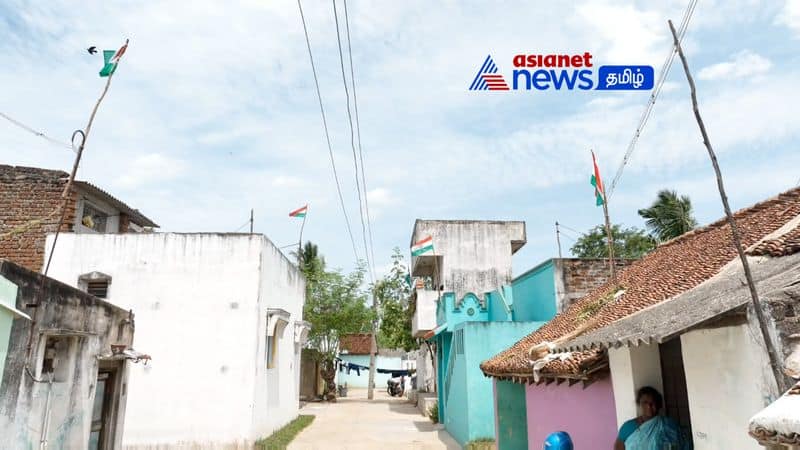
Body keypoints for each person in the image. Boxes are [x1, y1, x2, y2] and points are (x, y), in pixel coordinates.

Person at [614, 386, 690, 450]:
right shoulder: (628, 427)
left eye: (652, 402)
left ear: (658, 404)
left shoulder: (669, 425)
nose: (649, 406)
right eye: (645, 402)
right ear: (639, 404)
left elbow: (682, 445)